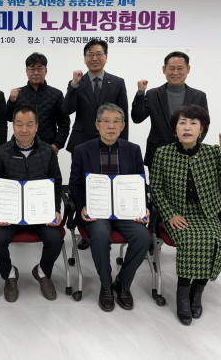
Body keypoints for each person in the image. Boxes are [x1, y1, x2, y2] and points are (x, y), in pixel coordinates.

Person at [150, 105, 221, 326]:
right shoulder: (163, 154)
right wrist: (169, 215)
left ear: (202, 130)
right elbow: (156, 189)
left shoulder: (212, 153)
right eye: (182, 123)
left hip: (206, 215)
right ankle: (183, 294)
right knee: (190, 239)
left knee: (212, 240)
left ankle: (197, 291)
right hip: (177, 214)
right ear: (175, 129)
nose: (187, 127)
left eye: (193, 123)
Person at [69, 104, 152, 312]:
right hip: (96, 211)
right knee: (99, 236)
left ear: (123, 126)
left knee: (143, 237)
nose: (111, 126)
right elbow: (75, 184)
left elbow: (139, 183)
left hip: (125, 211)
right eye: (106, 121)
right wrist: (83, 206)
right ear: (97, 125)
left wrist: (143, 207)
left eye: (116, 122)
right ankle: (106, 286)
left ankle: (122, 283)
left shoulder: (133, 150)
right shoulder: (82, 150)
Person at [0, 105, 64, 302]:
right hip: (11, 215)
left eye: (29, 124)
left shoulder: (48, 152)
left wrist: (55, 210)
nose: (24, 129)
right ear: (13, 126)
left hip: (39, 213)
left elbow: (56, 183)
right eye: (19, 124)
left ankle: (42, 271)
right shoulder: (2, 152)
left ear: (37, 126)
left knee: (56, 239)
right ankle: (9, 274)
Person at [131, 51, 208, 167]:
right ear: (164, 69)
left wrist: (191, 145)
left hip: (189, 154)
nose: (175, 73)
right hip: (158, 153)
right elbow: (137, 118)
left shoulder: (199, 96)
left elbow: (204, 126)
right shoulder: (153, 94)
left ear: (188, 69)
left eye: (180, 68)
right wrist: (141, 92)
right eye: (171, 68)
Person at [64, 39, 129, 155]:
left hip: (110, 140)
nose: (94, 58)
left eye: (99, 54)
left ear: (106, 57)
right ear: (85, 59)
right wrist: (74, 85)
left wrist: (123, 144)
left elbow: (123, 116)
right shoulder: (76, 82)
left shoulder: (118, 83)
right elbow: (67, 109)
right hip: (81, 141)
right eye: (90, 55)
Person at [5, 53, 70, 154]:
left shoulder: (56, 94)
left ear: (46, 70)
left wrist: (57, 145)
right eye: (32, 69)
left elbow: (64, 122)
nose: (36, 73)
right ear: (26, 71)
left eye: (39, 69)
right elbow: (9, 118)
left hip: (48, 147)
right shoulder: (18, 93)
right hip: (21, 146)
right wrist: (11, 101)